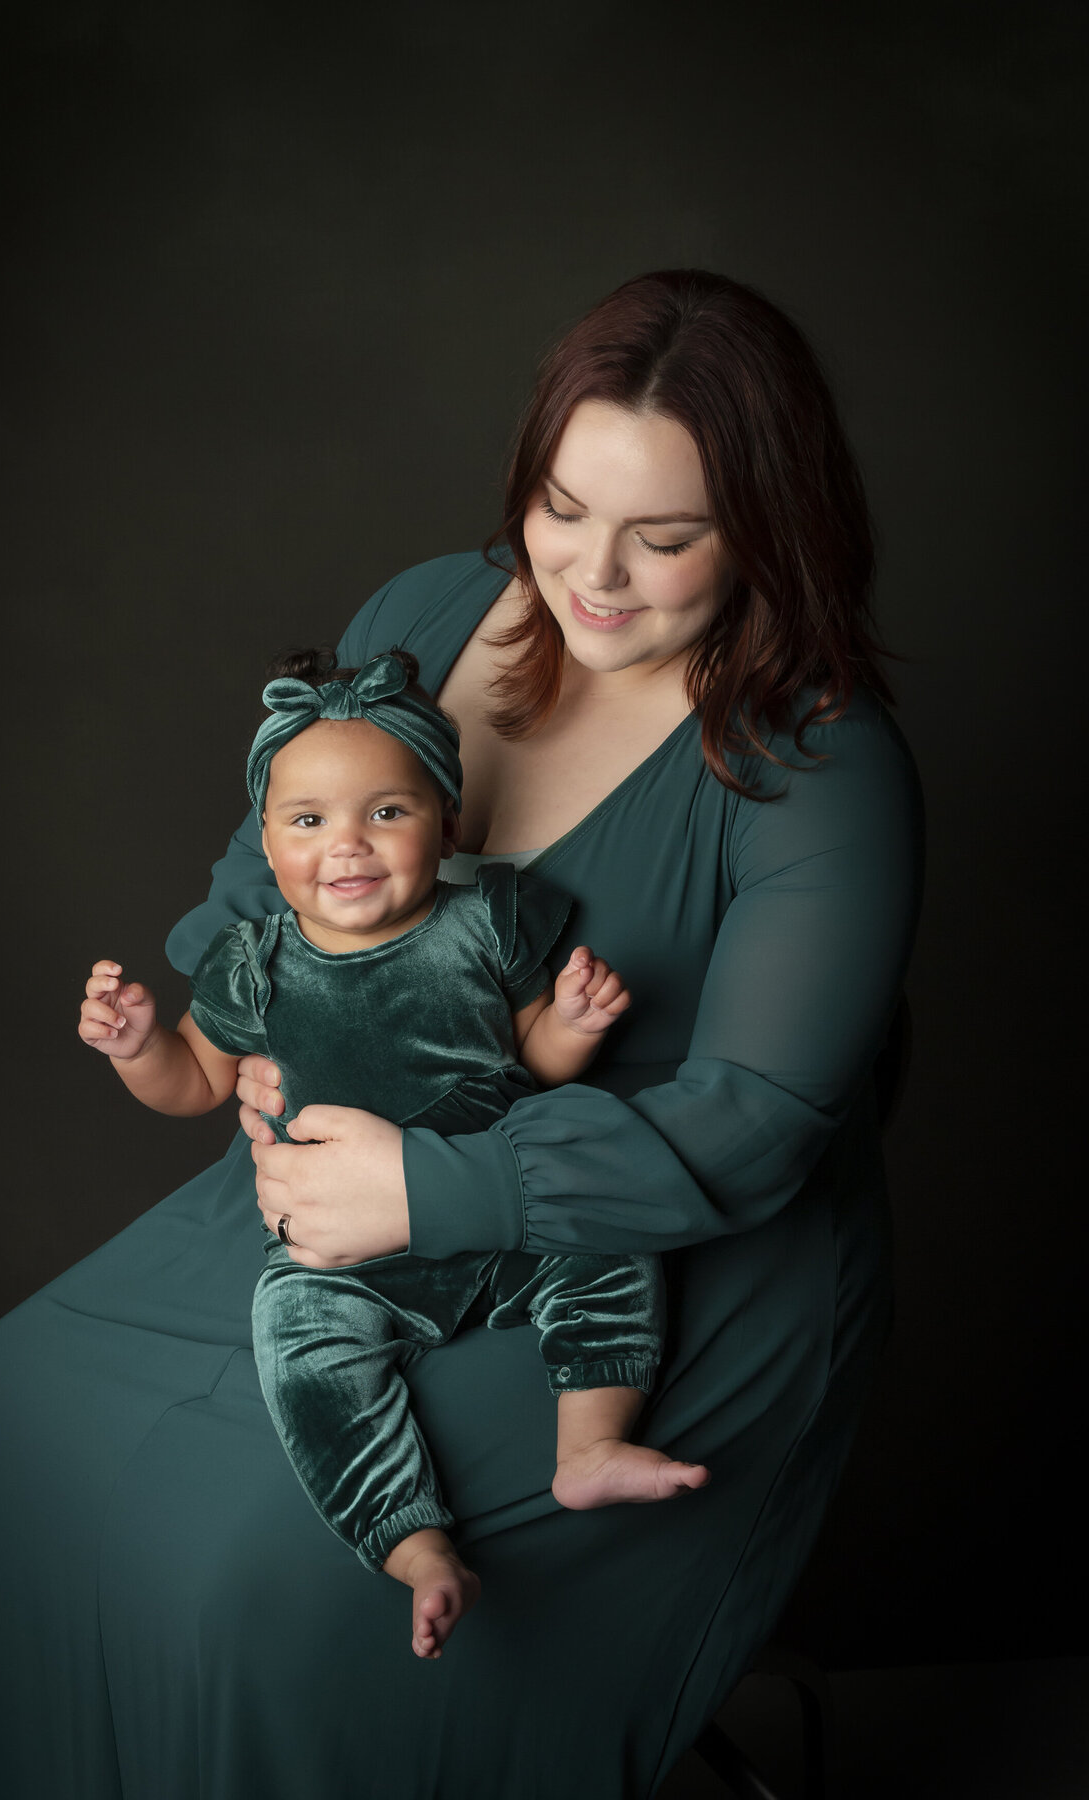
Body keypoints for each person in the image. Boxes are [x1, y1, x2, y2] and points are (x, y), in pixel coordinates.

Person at [0, 268, 924, 1800]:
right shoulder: (427, 612)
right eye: (563, 507)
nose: (594, 575)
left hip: (650, 1243)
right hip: (358, 1169)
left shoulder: (824, 765)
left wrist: (435, 1190)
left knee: (241, 1584)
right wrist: (208, 1031)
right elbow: (274, 874)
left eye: (667, 539)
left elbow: (761, 1125)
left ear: (771, 529)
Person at [77, 645, 707, 1659]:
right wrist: (139, 1045)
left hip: (501, 1214)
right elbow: (194, 1083)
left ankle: (589, 1441)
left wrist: (578, 1024)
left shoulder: (485, 923)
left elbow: (536, 1059)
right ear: (270, 842)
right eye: (309, 821)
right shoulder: (258, 961)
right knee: (297, 1340)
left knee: (607, 1225)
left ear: (446, 822)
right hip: (346, 1252)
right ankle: (413, 1547)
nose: (349, 847)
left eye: (389, 812)